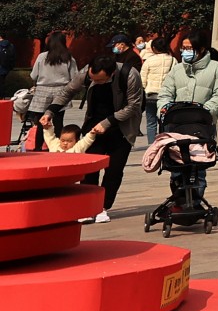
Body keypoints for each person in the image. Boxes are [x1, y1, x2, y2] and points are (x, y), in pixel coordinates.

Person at [43, 52, 144, 220]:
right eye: (93, 79)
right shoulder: (86, 73)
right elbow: (67, 92)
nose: (95, 82)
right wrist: (50, 112)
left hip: (122, 128)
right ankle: (88, 206)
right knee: (89, 169)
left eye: (100, 80)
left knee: (114, 171)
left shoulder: (129, 74)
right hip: (93, 128)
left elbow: (134, 105)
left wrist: (107, 122)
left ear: (111, 73)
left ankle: (103, 207)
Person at [157, 32, 218, 203]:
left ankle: (195, 203)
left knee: (199, 164)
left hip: (202, 125)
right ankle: (179, 199)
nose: (185, 52)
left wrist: (205, 111)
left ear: (201, 49)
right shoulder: (176, 69)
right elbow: (165, 93)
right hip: (176, 125)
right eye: (184, 48)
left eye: (189, 48)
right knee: (176, 163)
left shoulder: (216, 68)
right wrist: (164, 109)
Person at [24, 34, 82, 146]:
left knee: (41, 122)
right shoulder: (68, 58)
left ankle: (38, 148)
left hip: (42, 91)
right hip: (61, 91)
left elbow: (33, 75)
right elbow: (75, 77)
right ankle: (59, 146)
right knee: (58, 121)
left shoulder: (42, 56)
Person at [138, 35, 174, 146]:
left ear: (154, 48)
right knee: (164, 121)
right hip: (166, 96)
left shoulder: (149, 61)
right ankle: (164, 143)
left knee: (151, 122)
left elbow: (142, 79)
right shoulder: (173, 60)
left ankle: (152, 145)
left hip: (150, 95)